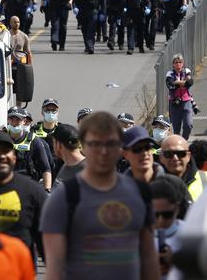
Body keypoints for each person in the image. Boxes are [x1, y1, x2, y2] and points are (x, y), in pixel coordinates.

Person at [41, 111, 160, 280]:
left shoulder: (140, 193)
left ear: (120, 149)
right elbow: (54, 268)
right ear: (84, 146)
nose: (103, 151)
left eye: (110, 144)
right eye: (95, 144)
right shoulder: (64, 197)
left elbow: (148, 257)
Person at [0, 131, 46, 258]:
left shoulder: (33, 191)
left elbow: (47, 245)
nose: (1, 156)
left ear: (14, 157)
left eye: (6, 150)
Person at [159, 135, 207, 203]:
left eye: (181, 153)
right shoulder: (151, 182)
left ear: (188, 156)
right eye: (168, 154)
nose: (175, 158)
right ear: (161, 157)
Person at [149, 177, 186, 280]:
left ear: (177, 209)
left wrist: (175, 261)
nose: (161, 220)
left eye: (167, 215)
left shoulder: (189, 232)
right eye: (155, 215)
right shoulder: (137, 236)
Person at [165, 54, 194, 139]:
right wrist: (183, 83)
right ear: (173, 64)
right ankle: (178, 145)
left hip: (186, 101)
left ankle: (184, 140)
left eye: (180, 62)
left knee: (188, 125)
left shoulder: (187, 71)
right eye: (176, 62)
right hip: (175, 102)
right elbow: (170, 85)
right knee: (176, 129)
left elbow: (190, 83)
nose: (178, 64)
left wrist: (177, 82)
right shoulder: (169, 73)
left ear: (183, 63)